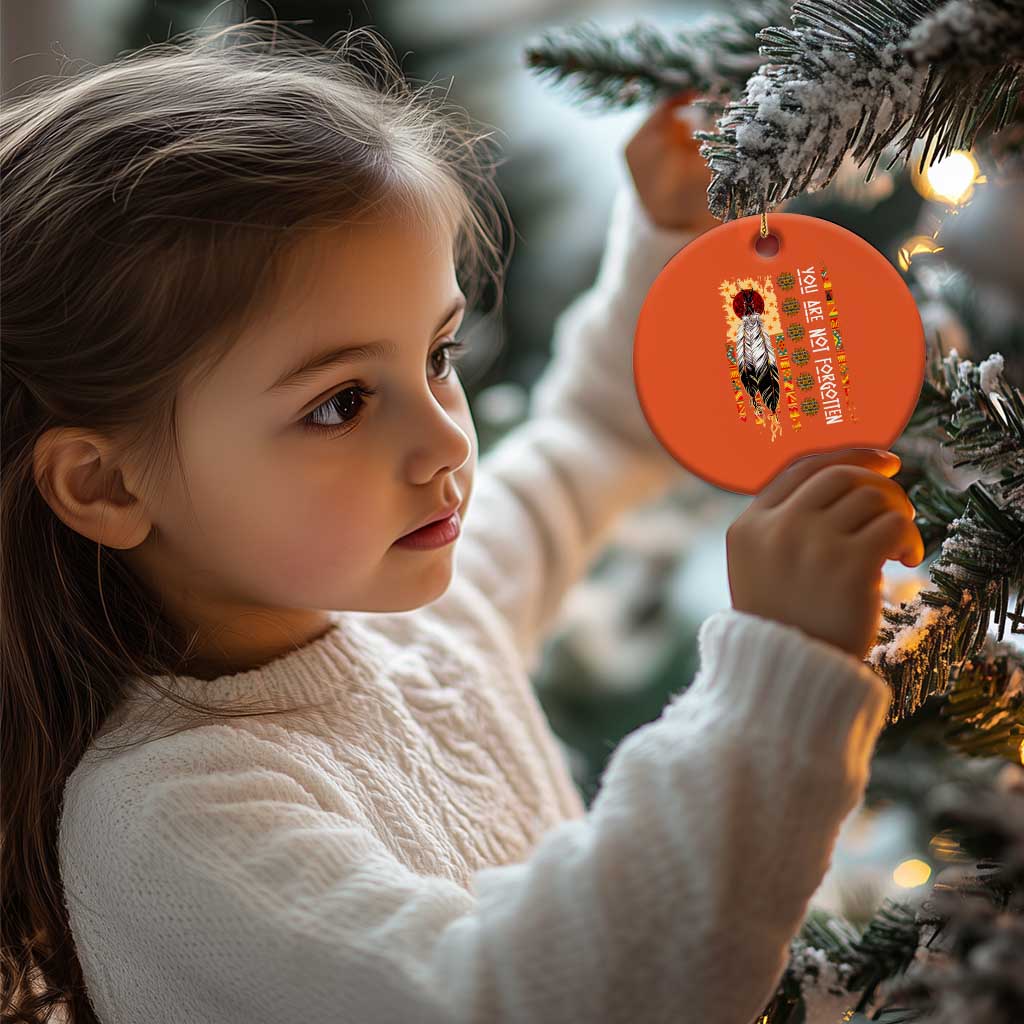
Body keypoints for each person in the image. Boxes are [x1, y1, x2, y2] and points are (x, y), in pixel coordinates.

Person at [0, 20, 923, 1024]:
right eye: (340, 403)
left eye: (437, 357)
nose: (444, 442)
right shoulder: (170, 817)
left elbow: (594, 439)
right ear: (107, 486)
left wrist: (669, 240)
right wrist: (776, 676)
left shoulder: (428, 622)